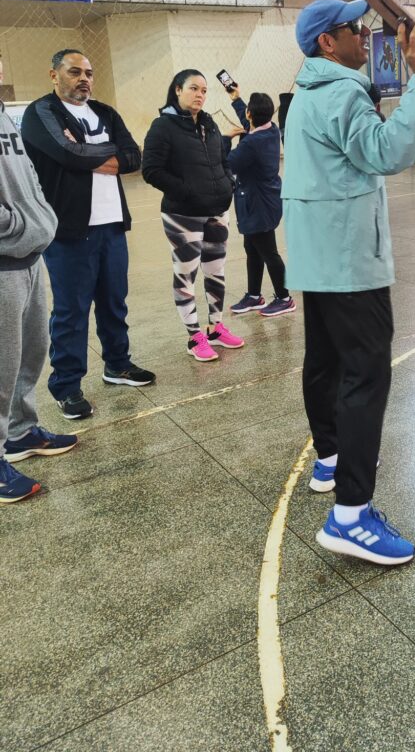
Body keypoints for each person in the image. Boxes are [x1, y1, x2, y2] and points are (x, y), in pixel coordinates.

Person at [283, 0, 415, 567]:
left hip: (317, 255)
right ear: (329, 42)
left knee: (324, 360)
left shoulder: (303, 95)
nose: (364, 34)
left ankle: (329, 457)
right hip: (349, 259)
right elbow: (387, 152)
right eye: (356, 28)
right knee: (366, 374)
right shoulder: (344, 91)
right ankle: (350, 515)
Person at [21, 50, 155, 420]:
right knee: (71, 312)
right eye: (75, 71)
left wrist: (89, 153)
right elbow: (67, 154)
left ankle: (118, 364)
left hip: (112, 225)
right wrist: (99, 154)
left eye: (89, 73)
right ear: (54, 74)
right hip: (69, 231)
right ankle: (66, 386)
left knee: (115, 301)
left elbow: (134, 156)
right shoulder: (40, 113)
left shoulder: (106, 113)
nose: (84, 79)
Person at [0, 76, 80, 503]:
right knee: (0, 363)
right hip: (3, 259)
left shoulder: (3, 117)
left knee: (30, 352)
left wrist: (40, 217)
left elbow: (27, 174)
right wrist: (16, 225)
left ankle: (19, 433)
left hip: (28, 256)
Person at [142, 70, 244, 362]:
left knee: (216, 271)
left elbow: (222, 159)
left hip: (216, 210)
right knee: (186, 273)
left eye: (204, 90)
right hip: (182, 214)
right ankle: (194, 336)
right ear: (177, 90)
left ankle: (215, 328)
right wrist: (187, 191)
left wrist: (228, 184)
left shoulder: (209, 123)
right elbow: (151, 170)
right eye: (193, 88)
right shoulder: (163, 126)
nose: (200, 95)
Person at [226, 91, 295, 318]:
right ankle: (254, 296)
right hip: (264, 200)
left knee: (268, 252)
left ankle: (284, 298)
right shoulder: (271, 129)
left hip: (258, 205)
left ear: (250, 114)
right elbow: (250, 123)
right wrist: (236, 98)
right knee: (252, 249)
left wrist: (225, 139)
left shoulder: (252, 143)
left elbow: (228, 163)